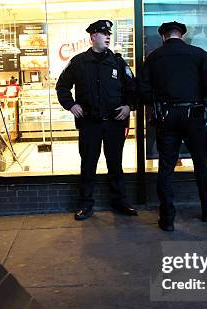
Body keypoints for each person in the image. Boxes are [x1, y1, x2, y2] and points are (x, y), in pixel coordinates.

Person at [138, 21, 207, 232]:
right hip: (194, 115)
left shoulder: (153, 58)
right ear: (181, 35)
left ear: (163, 36)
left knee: (166, 168)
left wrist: (157, 104)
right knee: (201, 164)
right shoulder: (199, 54)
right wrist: (202, 99)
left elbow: (143, 89)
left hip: (166, 117)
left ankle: (167, 219)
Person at [56, 19, 138, 221]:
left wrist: (129, 107)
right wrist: (71, 105)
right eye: (104, 34)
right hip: (89, 123)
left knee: (115, 164)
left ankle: (120, 203)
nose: (108, 37)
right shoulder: (78, 62)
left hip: (114, 123)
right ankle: (85, 205)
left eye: (109, 34)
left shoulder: (118, 62)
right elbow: (62, 87)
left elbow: (133, 89)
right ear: (93, 37)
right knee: (88, 164)